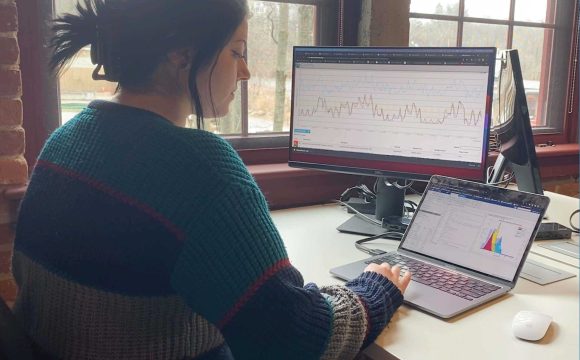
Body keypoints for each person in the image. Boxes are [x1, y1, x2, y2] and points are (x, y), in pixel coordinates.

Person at [12, 0, 412, 359]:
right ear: (182, 54)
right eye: (236, 51)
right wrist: (375, 290)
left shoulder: (66, 139)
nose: (245, 71)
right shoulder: (201, 168)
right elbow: (296, 340)